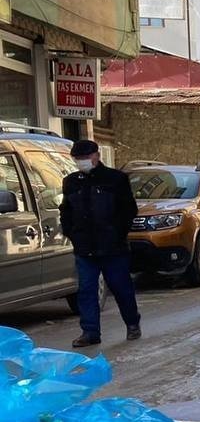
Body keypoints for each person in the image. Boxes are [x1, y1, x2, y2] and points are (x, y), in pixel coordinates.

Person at [59, 139, 142, 347]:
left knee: (121, 287)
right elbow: (66, 210)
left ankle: (132, 323)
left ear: (96, 155)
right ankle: (90, 332)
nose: (82, 162)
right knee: (86, 290)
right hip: (84, 247)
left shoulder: (115, 179)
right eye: (78, 159)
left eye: (85, 158)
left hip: (113, 247)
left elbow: (128, 210)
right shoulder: (71, 182)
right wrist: (72, 233)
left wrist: (117, 233)